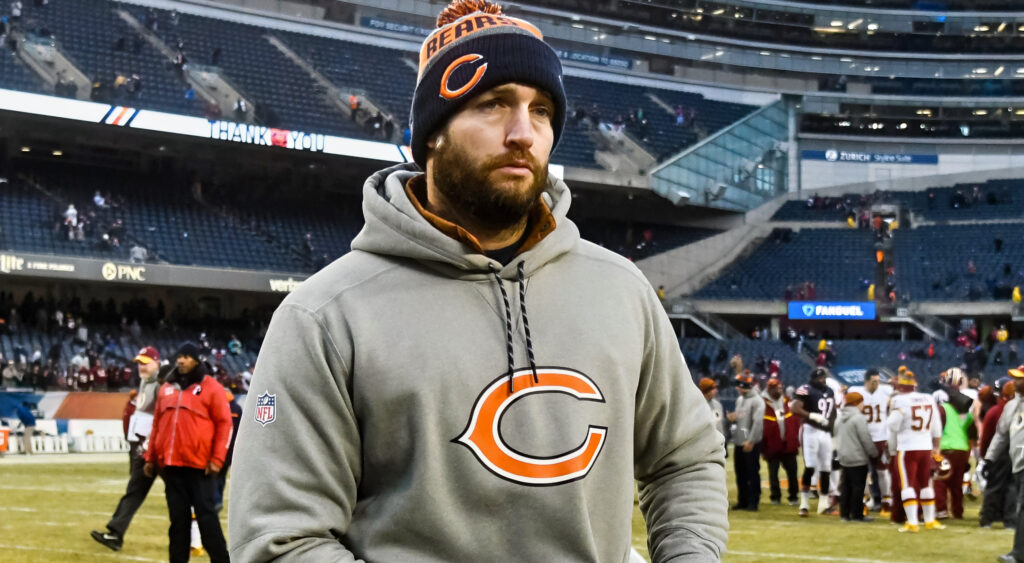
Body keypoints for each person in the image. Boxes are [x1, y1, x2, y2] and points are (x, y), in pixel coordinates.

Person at [228, 1, 729, 560]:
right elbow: (282, 538)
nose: (523, 133)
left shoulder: (620, 289)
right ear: (433, 134)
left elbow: (685, 460)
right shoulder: (324, 315)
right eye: (493, 105)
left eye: (541, 110)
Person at [144, 342, 232, 563]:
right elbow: (157, 425)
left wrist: (217, 458)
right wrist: (150, 457)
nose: (181, 360)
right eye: (179, 356)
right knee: (178, 525)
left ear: (196, 360)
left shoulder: (212, 387)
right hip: (172, 468)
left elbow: (224, 425)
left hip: (200, 467)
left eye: (186, 357)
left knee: (207, 521)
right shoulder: (166, 388)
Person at [91, 347, 163, 551]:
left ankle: (197, 535)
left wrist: (148, 444)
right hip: (142, 447)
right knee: (136, 490)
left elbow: (162, 417)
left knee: (179, 493)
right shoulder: (145, 382)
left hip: (151, 448)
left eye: (145, 362)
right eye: (139, 362)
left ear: (156, 362)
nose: (141, 366)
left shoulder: (160, 384)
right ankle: (116, 532)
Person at [887, 370, 944, 533]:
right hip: (926, 446)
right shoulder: (928, 398)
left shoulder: (899, 400)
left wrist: (893, 413)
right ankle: (929, 520)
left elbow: (893, 426)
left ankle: (912, 522)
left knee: (907, 484)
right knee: (926, 483)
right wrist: (937, 446)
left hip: (907, 447)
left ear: (900, 386)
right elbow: (936, 426)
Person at [986, 366, 1024, 563]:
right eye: (1014, 379)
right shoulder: (1011, 406)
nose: (1015, 383)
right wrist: (989, 458)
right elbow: (1001, 435)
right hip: (1017, 465)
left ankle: (1018, 554)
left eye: (1020, 379)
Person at [791, 367, 837, 516]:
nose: (822, 380)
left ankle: (823, 505)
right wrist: (811, 416)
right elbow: (794, 408)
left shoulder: (830, 391)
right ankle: (804, 504)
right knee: (810, 466)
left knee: (826, 468)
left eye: (823, 377)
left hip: (825, 432)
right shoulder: (806, 389)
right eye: (819, 378)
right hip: (811, 430)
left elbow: (833, 410)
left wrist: (831, 426)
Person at [847, 368, 893, 515]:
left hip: (881, 438)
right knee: (862, 472)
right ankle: (864, 501)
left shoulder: (886, 391)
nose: (877, 384)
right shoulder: (855, 391)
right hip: (863, 438)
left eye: (878, 381)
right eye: (874, 382)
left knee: (882, 472)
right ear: (866, 381)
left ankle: (886, 502)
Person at [933, 369, 974, 520]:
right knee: (956, 483)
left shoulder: (942, 409)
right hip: (962, 450)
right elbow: (971, 436)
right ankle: (958, 512)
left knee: (940, 480)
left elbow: (937, 430)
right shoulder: (967, 415)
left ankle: (942, 510)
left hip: (946, 448)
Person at [980, 379, 1018, 529]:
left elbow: (986, 437)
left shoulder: (994, 411)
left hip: (998, 453)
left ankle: (987, 519)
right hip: (1016, 452)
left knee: (993, 487)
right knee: (1013, 487)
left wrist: (985, 456)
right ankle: (1010, 520)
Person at [835, 391, 876, 522]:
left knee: (845, 486)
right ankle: (856, 514)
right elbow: (865, 438)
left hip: (843, 457)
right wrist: (873, 452)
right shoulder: (859, 418)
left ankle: (844, 514)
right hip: (858, 457)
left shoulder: (839, 418)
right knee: (858, 487)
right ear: (858, 402)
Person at [761, 377, 800, 506]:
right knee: (773, 473)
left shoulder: (787, 402)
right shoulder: (763, 404)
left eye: (780, 388)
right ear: (771, 389)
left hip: (788, 444)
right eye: (777, 388)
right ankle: (775, 496)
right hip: (772, 445)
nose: (780, 390)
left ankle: (793, 496)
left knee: (792, 471)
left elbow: (795, 423)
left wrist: (795, 441)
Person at [730, 372, 764, 511]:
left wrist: (751, 440)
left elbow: (757, 423)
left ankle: (753, 501)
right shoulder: (740, 399)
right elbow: (741, 418)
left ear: (742, 386)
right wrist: (734, 418)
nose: (736, 388)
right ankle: (742, 500)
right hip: (739, 441)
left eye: (738, 385)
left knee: (752, 472)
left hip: (750, 443)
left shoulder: (757, 401)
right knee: (740, 473)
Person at [700, 376, 726, 441]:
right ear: (707, 391)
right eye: (713, 389)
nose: (716, 391)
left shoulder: (718, 404)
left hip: (720, 440)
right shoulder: (698, 406)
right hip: (707, 442)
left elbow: (721, 423)